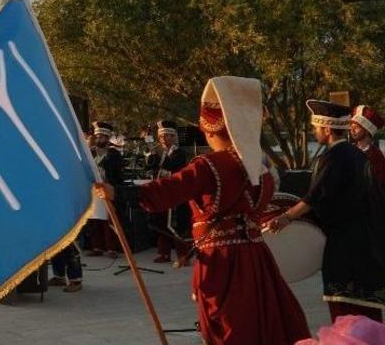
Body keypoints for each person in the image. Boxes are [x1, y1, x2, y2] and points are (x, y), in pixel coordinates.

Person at [101, 76, 310, 345]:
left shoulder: (210, 165)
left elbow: (168, 191)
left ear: (210, 131)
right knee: (260, 320)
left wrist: (117, 193)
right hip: (256, 255)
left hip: (222, 260)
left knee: (231, 326)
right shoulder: (264, 169)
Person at [267, 100, 385, 322]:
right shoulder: (356, 154)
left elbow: (317, 195)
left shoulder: (335, 156)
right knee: (366, 311)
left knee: (347, 310)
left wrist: (286, 217)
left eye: (316, 128)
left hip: (346, 244)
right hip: (365, 241)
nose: (314, 132)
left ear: (327, 130)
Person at [150, 120, 191, 264]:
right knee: (161, 223)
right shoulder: (160, 153)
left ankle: (183, 255)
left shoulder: (179, 153)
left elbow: (173, 166)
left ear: (174, 137)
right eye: (161, 136)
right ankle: (164, 253)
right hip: (161, 192)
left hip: (175, 193)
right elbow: (152, 168)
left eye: (167, 136)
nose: (163, 139)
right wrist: (151, 158)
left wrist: (160, 157)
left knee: (177, 225)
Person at [87, 122, 123, 258]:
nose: (99, 139)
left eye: (102, 137)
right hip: (94, 190)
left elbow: (117, 173)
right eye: (97, 136)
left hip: (107, 188)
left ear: (107, 138)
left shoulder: (113, 154)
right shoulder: (91, 153)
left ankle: (111, 248)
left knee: (110, 220)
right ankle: (97, 246)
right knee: (95, 219)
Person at [350, 105, 385, 186]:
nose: (352, 130)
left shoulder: (376, 155)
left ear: (366, 130)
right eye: (351, 126)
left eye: (356, 127)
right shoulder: (349, 149)